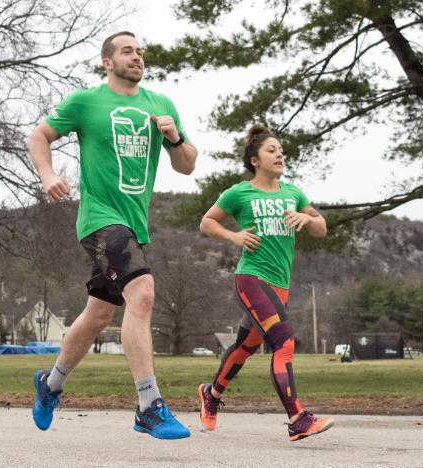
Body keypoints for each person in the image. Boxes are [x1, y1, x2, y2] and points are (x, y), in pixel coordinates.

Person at [26, 31, 198, 440]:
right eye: (127, 51)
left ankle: (49, 385)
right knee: (143, 292)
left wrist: (174, 137)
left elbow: (187, 165)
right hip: (100, 220)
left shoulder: (161, 105)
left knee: (99, 314)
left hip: (134, 225)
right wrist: (48, 175)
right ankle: (148, 405)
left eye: (140, 50)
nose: (136, 56)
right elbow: (39, 136)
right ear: (107, 62)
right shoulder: (86, 102)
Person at [197, 124, 333, 441]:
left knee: (247, 346)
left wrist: (309, 219)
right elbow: (207, 222)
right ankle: (298, 419)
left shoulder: (293, 193)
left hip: (280, 284)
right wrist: (234, 236)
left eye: (281, 150)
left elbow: (322, 228)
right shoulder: (239, 193)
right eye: (271, 150)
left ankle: (211, 394)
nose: (279, 154)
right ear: (254, 159)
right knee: (284, 343)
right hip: (251, 277)